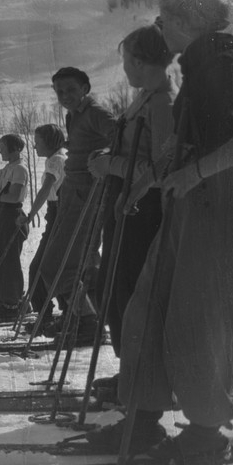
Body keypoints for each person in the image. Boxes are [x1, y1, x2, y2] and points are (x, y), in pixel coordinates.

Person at [89, 0, 233, 465]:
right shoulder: (198, 68)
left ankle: (204, 434)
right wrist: (148, 180)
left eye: (163, 20)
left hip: (216, 204)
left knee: (198, 319)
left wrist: (196, 169)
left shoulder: (224, 65)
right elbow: (189, 140)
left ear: (184, 19)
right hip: (185, 199)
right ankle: (143, 416)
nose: (161, 30)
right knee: (147, 308)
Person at [87, 23, 173, 366]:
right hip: (126, 204)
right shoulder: (144, 99)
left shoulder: (163, 102)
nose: (123, 69)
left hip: (144, 207)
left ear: (139, 61)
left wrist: (112, 165)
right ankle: (130, 370)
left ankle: (140, 376)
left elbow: (161, 168)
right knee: (112, 289)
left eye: (125, 62)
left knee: (129, 291)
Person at [33, 66, 116, 340]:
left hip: (89, 194)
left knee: (56, 263)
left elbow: (122, 139)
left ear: (85, 89)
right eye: (59, 91)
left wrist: (104, 153)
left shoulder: (96, 113)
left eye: (71, 89)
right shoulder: (74, 116)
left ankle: (87, 321)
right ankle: (80, 317)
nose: (65, 95)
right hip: (73, 192)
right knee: (80, 261)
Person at [19, 124, 68, 331]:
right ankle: (57, 311)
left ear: (49, 142)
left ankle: (45, 315)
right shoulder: (57, 158)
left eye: (38, 142)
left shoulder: (56, 161)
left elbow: (46, 189)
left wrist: (30, 216)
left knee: (40, 266)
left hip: (58, 212)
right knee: (53, 264)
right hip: (57, 213)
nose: (34, 146)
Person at [0, 135, 29, 319]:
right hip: (3, 216)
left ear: (14, 149)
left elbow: (15, 196)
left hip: (12, 216)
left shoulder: (19, 169)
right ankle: (5, 301)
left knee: (8, 262)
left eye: (3, 147)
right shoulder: (9, 167)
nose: (0, 151)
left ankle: (14, 304)